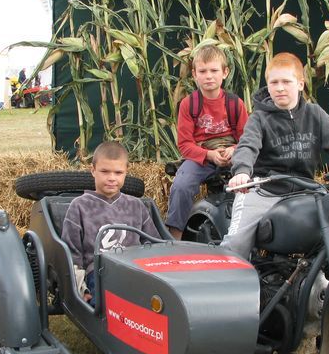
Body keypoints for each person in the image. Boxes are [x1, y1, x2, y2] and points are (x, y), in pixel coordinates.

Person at [221, 52, 329, 259]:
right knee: (236, 243)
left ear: (300, 84)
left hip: (307, 191)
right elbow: (247, 146)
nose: (279, 88)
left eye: (286, 82)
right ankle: (230, 285)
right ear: (267, 85)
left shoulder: (314, 114)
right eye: (274, 82)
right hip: (264, 191)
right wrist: (242, 172)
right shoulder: (259, 118)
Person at [165, 45, 249, 239]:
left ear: (225, 73)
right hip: (202, 157)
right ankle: (174, 237)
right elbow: (185, 144)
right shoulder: (189, 104)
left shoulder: (235, 103)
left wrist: (234, 150)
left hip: (232, 155)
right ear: (194, 74)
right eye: (203, 71)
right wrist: (209, 155)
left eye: (214, 70)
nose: (209, 76)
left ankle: (248, 235)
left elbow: (247, 139)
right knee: (181, 185)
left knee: (254, 182)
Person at [61, 141, 160, 304]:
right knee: (111, 301)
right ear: (93, 170)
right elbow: (72, 253)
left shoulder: (136, 205)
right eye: (105, 171)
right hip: (99, 272)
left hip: (134, 270)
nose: (111, 178)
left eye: (118, 172)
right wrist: (80, 288)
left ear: (126, 172)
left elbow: (153, 244)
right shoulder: (80, 206)